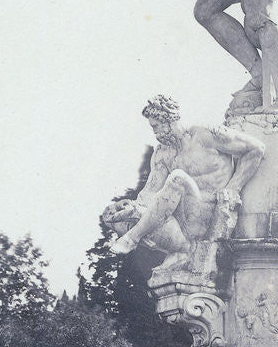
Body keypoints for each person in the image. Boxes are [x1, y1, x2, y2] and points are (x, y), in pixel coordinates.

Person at [104, 95, 264, 273]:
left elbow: (256, 149)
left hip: (207, 216)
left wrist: (233, 187)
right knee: (116, 215)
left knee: (177, 178)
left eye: (155, 126)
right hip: (179, 227)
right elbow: (150, 192)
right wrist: (133, 210)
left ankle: (131, 239)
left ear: (169, 120)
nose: (155, 133)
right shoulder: (163, 153)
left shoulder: (204, 134)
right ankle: (180, 252)